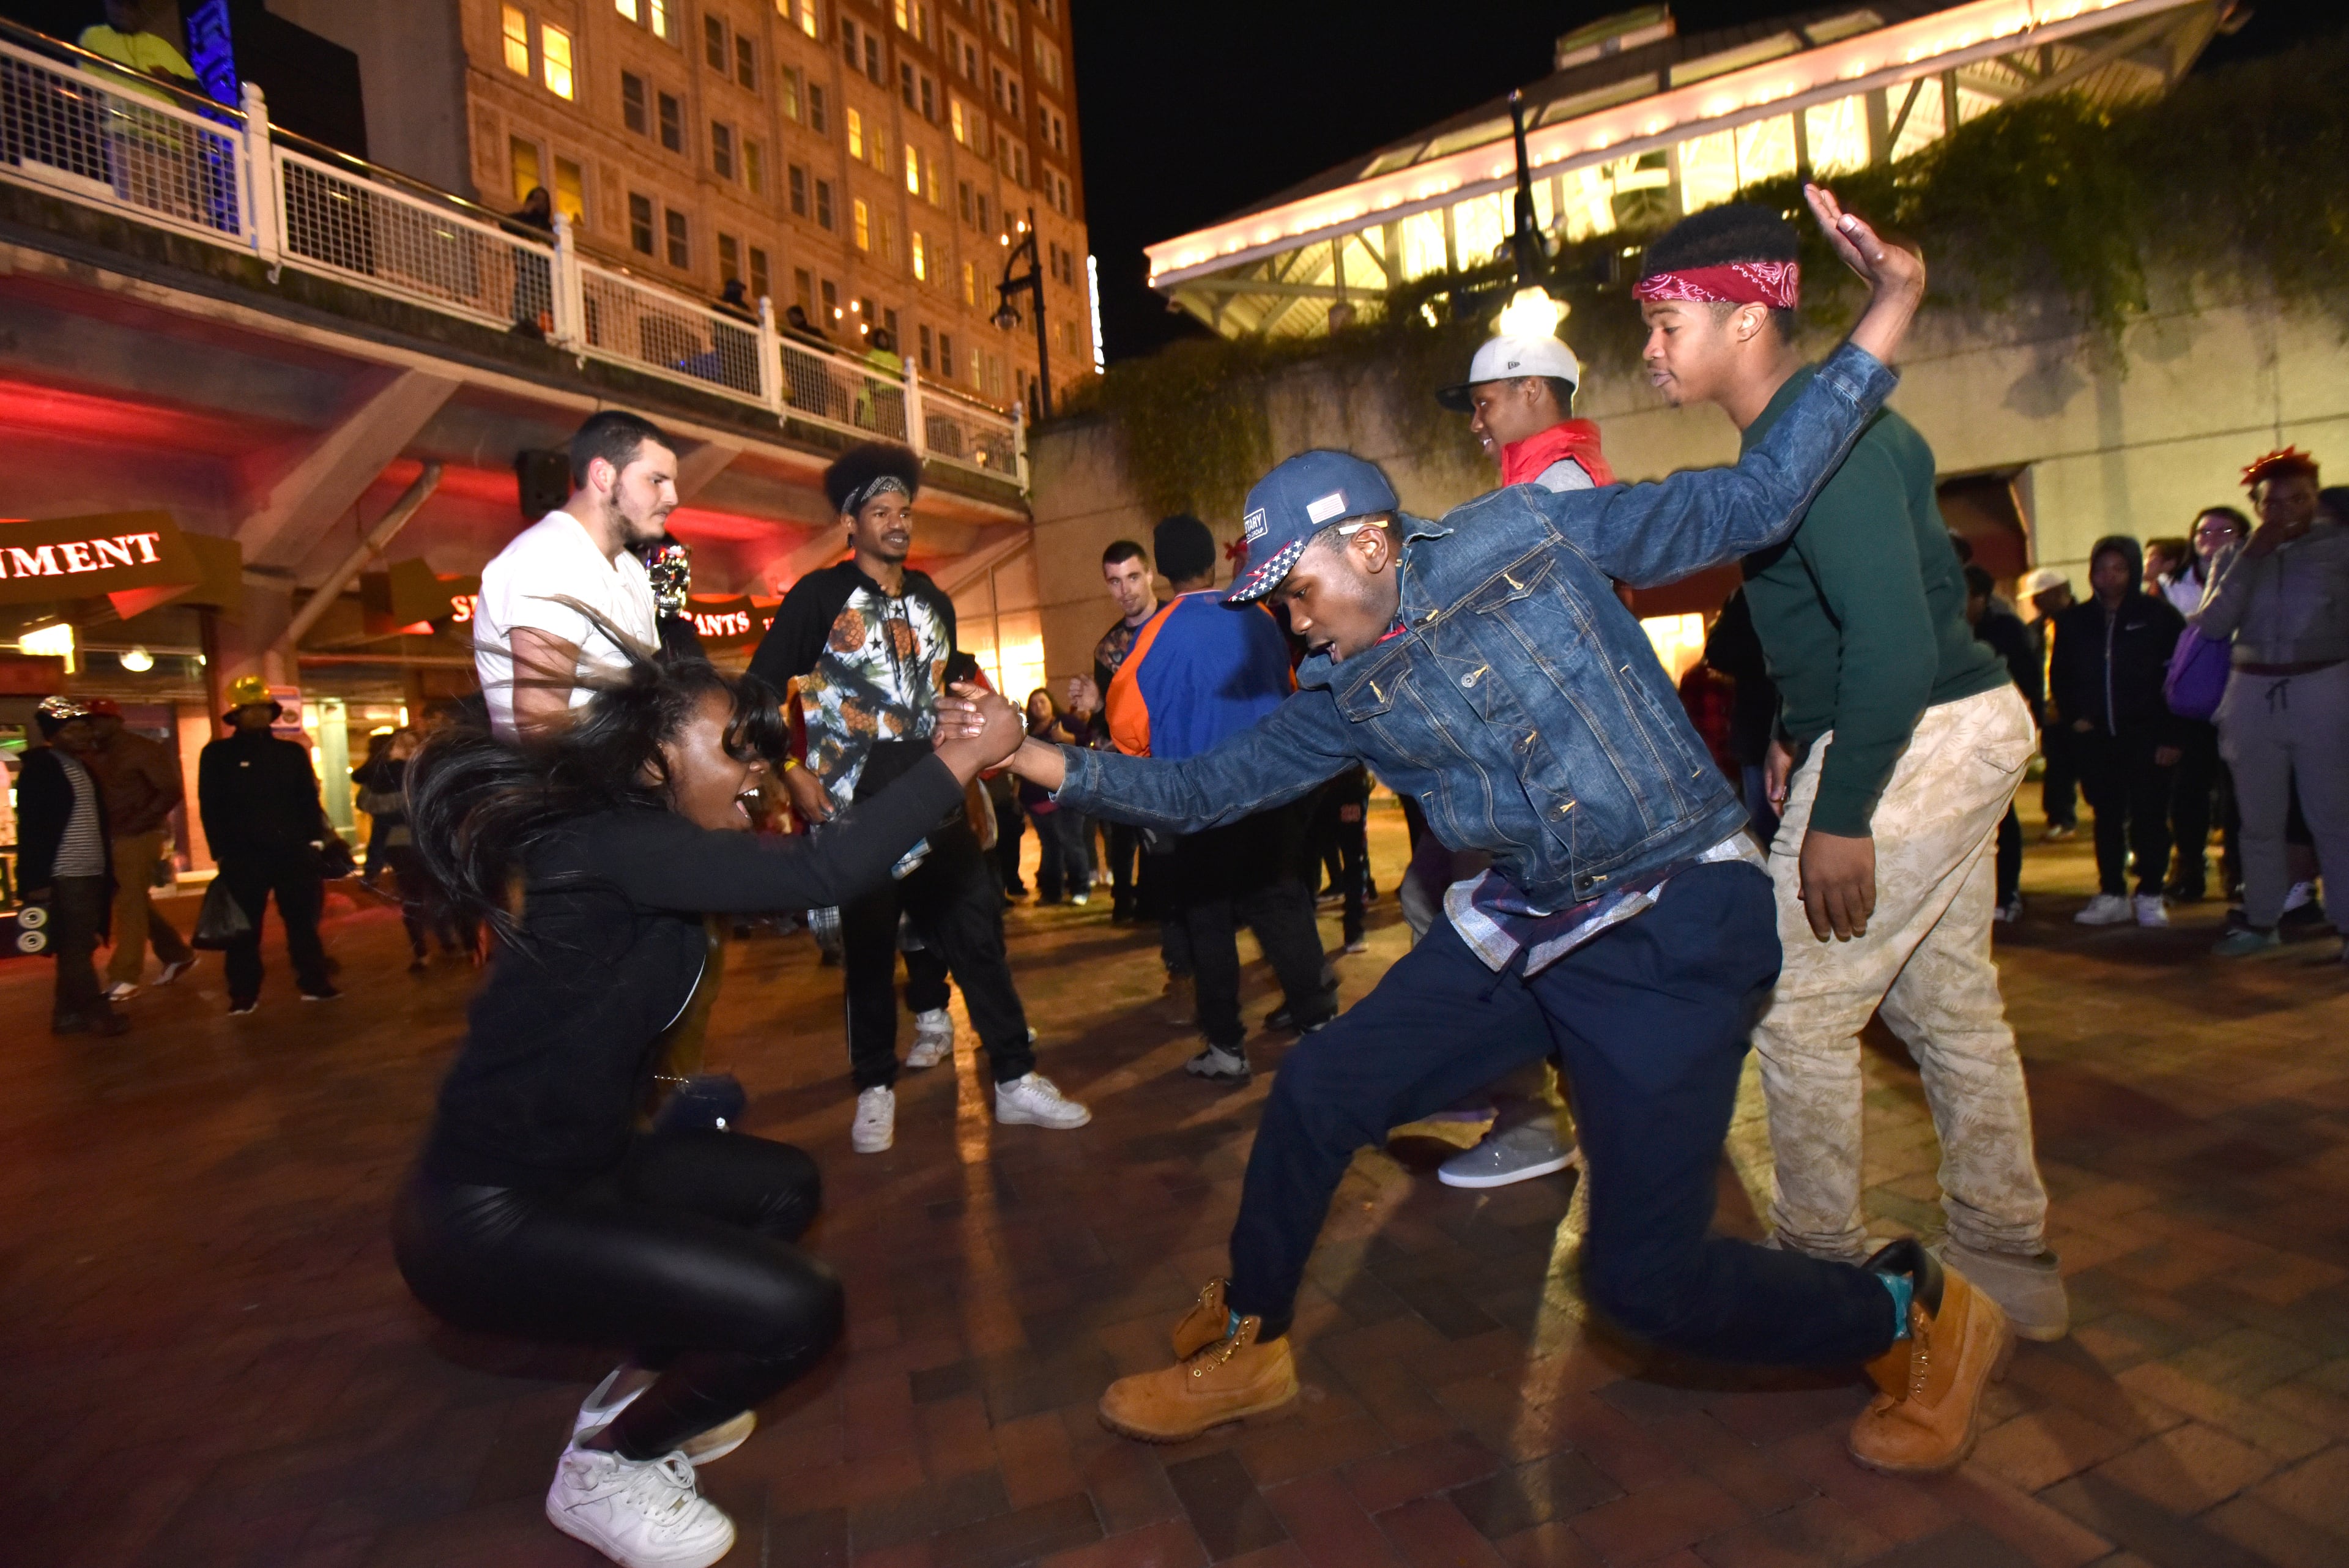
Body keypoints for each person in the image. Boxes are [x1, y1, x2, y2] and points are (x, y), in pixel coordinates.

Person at [976, 191, 2005, 1477]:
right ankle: (1252, 1337)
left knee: (1644, 1286)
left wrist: (1892, 308)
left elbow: (1748, 504)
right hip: (1532, 925)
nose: (1291, 625)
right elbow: (1204, 789)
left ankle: (1908, 1309)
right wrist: (1028, 752)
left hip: (1674, 920)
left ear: (1367, 542)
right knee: (1321, 1086)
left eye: (1295, 594)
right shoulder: (1345, 687)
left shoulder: (1528, 530)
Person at [392, 650, 1027, 1568]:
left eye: (763, 751)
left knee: (781, 1186)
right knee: (798, 1307)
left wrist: (932, 752)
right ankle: (606, 1466)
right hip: (487, 1215)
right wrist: (964, 762)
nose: (758, 768)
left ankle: (636, 1396)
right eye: (736, 748)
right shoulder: (616, 842)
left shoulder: (650, 844)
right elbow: (824, 869)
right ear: (654, 760)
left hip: (589, 1163)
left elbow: (809, 859)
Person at [1632, 201, 2058, 1345]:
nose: (1651, 349)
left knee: (1794, 1003)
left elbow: (1900, 642)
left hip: (1923, 728)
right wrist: (1798, 726)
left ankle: (1820, 1281)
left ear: (1748, 315)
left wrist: (1845, 809)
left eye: (1670, 322)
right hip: (1926, 725)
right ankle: (2010, 1260)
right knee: (1950, 1009)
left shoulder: (1829, 443)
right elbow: (1855, 617)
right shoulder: (1803, 433)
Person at [748, 442, 1087, 1154]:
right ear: (851, 521)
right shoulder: (818, 597)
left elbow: (949, 689)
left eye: (905, 510)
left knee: (979, 939)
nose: (898, 522)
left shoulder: (932, 598)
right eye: (881, 511)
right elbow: (759, 688)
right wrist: (790, 768)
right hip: (857, 810)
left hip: (935, 801)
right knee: (870, 956)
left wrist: (973, 757)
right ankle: (873, 1086)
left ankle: (1015, 1079)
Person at [1414, 329, 1616, 1190]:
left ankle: (1533, 1112)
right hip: (1542, 765)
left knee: (1476, 921)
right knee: (1460, 908)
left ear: (1534, 392)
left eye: (1483, 403)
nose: (1476, 423)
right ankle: (1555, 1093)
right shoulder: (1548, 484)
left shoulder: (1554, 493)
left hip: (1542, 771)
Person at [1101, 511, 1332, 1083]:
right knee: (1283, 911)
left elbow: (1129, 732)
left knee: (1208, 929)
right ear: (1210, 561)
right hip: (1267, 793)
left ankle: (1227, 1047)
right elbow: (1290, 689)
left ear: (1162, 571)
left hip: (1199, 806)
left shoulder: (1149, 640)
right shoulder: (1257, 617)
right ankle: (1319, 1027)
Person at [2195, 453, 2349, 958]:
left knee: (2332, 814)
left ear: (2315, 497)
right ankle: (2261, 919)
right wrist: (2251, 557)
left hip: (2320, 685)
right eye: (2272, 502)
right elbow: (2214, 624)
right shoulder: (2235, 554)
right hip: (2250, 689)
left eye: (2299, 498)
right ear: (2256, 506)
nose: (2285, 510)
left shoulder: (2339, 548)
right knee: (2257, 818)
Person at [475, 411, 674, 740]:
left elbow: (646, 700)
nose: (673, 497)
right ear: (603, 475)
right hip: (562, 790)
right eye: (657, 480)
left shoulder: (630, 568)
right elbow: (541, 726)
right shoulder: (549, 558)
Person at [2049, 536, 2186, 927]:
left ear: (2133, 569)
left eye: (2118, 568)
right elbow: (2061, 675)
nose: (2108, 576)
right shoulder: (2074, 621)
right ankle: (2111, 891)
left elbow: (2177, 678)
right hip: (2096, 738)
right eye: (2100, 568)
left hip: (2146, 735)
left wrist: (2172, 735)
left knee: (2150, 816)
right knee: (2106, 816)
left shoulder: (2159, 616)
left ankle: (2150, 892)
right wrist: (2076, 717)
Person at [198, 676, 338, 1013]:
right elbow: (210, 804)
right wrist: (222, 851)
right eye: (250, 709)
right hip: (243, 856)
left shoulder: (290, 753)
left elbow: (307, 798)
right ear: (235, 715)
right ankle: (244, 992)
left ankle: (314, 982)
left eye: (263, 708)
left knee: (303, 923)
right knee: (244, 929)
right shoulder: (217, 755)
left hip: (292, 851)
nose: (259, 715)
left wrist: (315, 840)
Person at [18, 697, 128, 1036]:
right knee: (78, 946)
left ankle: (66, 1016)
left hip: (89, 870)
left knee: (76, 944)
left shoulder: (79, 767)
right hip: (67, 873)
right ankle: (97, 1013)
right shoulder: (43, 767)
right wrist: (36, 879)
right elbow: (34, 828)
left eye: (85, 727)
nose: (84, 734)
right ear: (56, 733)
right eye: (74, 728)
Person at [1066, 540, 1164, 921]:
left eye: (1133, 577)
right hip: (1131, 765)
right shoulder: (1108, 650)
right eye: (1115, 581)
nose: (1125, 591)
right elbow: (1109, 723)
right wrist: (1095, 707)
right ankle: (1129, 903)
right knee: (1125, 839)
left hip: (1182, 758)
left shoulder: (1176, 624)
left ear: (1150, 575)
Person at [81, 697, 196, 999]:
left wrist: (140, 822)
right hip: (115, 835)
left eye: (98, 720)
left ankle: (125, 974)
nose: (93, 726)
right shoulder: (94, 753)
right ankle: (176, 952)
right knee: (132, 899)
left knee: (130, 900)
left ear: (115, 721)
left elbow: (170, 791)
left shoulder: (141, 750)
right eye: (90, 721)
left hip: (138, 835)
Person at [2164, 507, 2250, 902]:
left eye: (2224, 529)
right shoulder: (2171, 588)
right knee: (2188, 792)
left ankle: (2238, 868)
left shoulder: (2255, 575)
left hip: (2243, 699)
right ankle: (2188, 867)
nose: (2211, 537)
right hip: (2192, 707)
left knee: (2240, 794)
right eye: (2203, 530)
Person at [1964, 565, 2044, 923]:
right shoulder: (1943, 631)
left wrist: (2029, 730)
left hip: (1999, 738)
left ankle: (2008, 892)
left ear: (1981, 597)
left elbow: (2028, 682)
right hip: (1959, 741)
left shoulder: (2007, 630)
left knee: (2003, 817)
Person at [2019, 567, 2080, 841]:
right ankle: (2061, 818)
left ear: (2059, 593)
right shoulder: (2036, 629)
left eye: (2040, 597)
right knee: (2058, 766)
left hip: (2080, 707)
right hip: (2049, 709)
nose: (2034, 603)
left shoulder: (2084, 622)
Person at [1019, 689, 1092, 904]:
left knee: (1071, 843)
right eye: (1034, 704)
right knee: (1050, 847)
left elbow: (1088, 742)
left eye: (1042, 701)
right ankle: (1052, 892)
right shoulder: (1027, 731)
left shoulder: (1065, 722)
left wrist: (1066, 738)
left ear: (1051, 702)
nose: (1038, 706)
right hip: (1037, 800)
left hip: (1066, 796)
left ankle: (1080, 888)